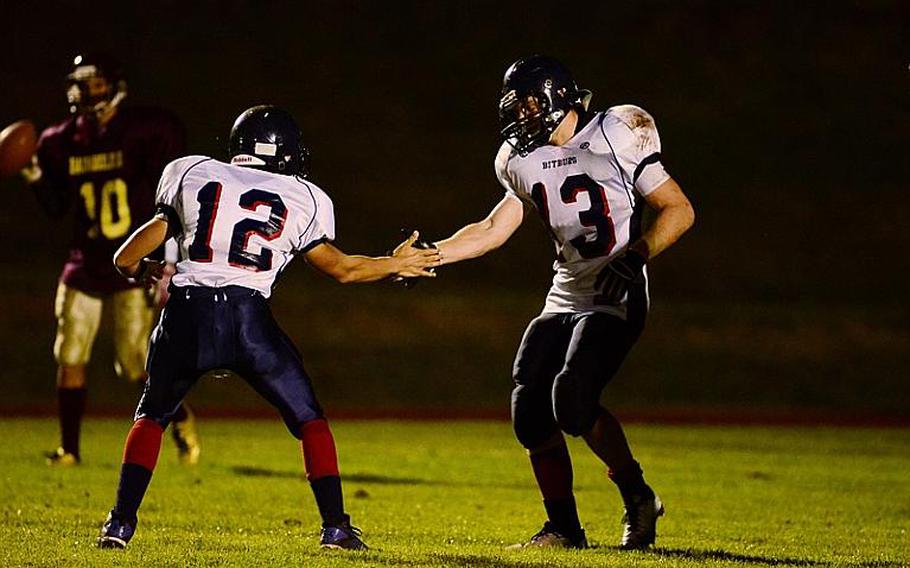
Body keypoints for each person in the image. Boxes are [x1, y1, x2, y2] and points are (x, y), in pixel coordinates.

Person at [96, 105, 440, 550]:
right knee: (308, 418)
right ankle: (335, 526)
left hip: (187, 313)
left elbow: (128, 254)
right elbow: (342, 270)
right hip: (247, 320)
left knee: (153, 414)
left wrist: (137, 267)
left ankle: (120, 524)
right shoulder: (304, 196)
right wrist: (396, 263)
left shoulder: (191, 170)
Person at [432, 56, 695, 550]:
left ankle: (637, 495)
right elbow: (493, 228)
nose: (521, 115)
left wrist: (636, 256)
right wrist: (433, 256)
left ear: (555, 95)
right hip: (567, 291)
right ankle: (564, 529)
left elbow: (678, 209)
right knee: (528, 408)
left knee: (571, 400)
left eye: (528, 102)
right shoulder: (519, 157)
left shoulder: (617, 130)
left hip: (615, 291)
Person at [21, 53, 200, 466]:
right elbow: (56, 206)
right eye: (81, 82)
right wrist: (33, 174)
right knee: (69, 354)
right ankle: (69, 449)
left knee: (133, 363)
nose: (86, 90)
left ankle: (179, 414)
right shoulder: (63, 140)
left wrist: (167, 258)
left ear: (114, 85)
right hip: (84, 262)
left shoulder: (144, 130)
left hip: (129, 264)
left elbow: (168, 195)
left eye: (95, 82)